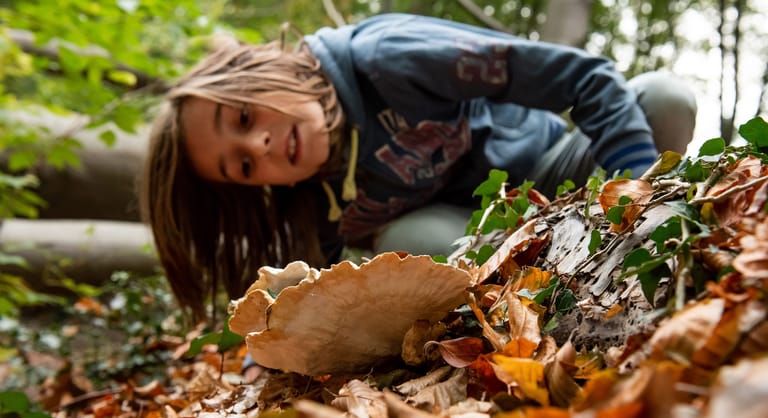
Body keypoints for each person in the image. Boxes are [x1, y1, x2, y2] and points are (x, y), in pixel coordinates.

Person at [142, 13, 697, 321]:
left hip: (558, 176)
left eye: (242, 115)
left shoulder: (390, 57)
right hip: (481, 247)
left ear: (262, 68)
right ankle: (550, 301)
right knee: (409, 241)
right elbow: (296, 306)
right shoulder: (312, 205)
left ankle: (624, 246)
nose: (260, 144)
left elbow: (586, 79)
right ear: (254, 189)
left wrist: (641, 192)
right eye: (241, 165)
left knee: (667, 101)